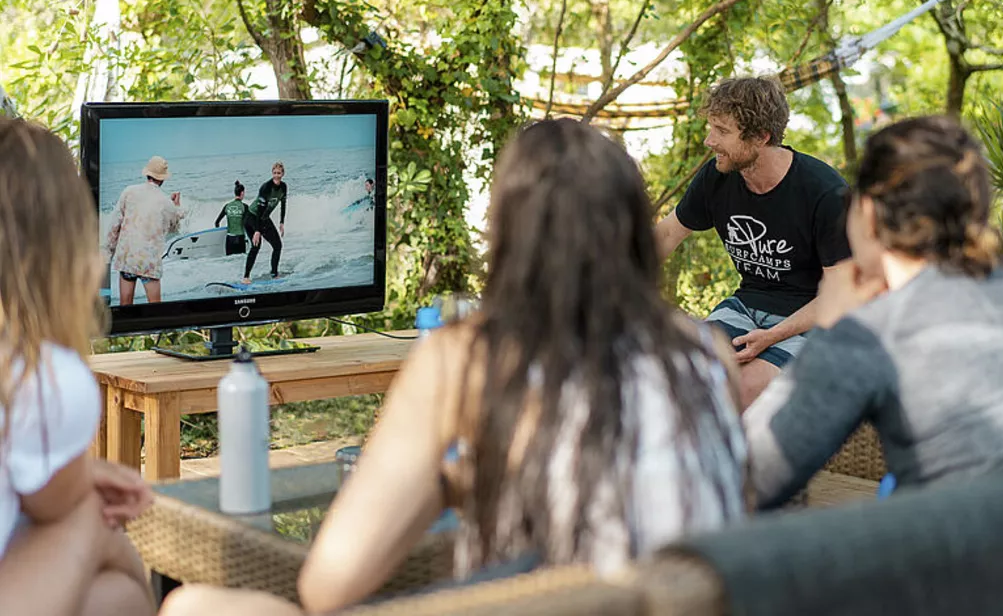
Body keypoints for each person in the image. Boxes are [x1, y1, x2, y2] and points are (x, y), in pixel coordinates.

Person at [159, 119, 751, 616]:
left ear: (509, 235)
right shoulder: (706, 352)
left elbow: (328, 585)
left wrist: (448, 483)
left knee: (194, 606)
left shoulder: (468, 358)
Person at [744, 116, 1003, 510]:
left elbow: (749, 477)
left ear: (869, 215)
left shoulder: (872, 332)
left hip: (962, 552)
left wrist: (830, 328)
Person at [0, 118, 155, 615]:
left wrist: (84, 471)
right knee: (97, 529)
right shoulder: (35, 377)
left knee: (109, 598)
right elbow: (56, 506)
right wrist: (87, 484)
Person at [655, 77, 851, 407]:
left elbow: (841, 293)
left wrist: (774, 337)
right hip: (746, 307)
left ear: (761, 137)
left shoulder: (825, 193)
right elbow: (667, 234)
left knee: (743, 388)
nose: (709, 140)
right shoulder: (716, 178)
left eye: (721, 131)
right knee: (684, 373)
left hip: (814, 318)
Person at [104, 155, 183, 305]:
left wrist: (109, 253)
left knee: (125, 308)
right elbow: (173, 229)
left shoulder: (129, 191)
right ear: (163, 178)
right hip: (149, 262)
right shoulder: (166, 202)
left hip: (128, 258)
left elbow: (115, 225)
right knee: (155, 311)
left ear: (147, 174)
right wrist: (176, 206)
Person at [243, 161, 287, 284]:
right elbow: (260, 209)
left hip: (264, 217)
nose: (277, 176)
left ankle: (274, 274)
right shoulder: (266, 188)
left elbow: (283, 204)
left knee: (277, 245)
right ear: (272, 173)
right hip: (252, 217)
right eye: (274, 173)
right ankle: (246, 277)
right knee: (256, 246)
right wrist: (257, 230)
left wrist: (282, 222)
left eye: (279, 173)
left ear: (283, 174)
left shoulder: (283, 187)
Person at [214, 181, 248, 256]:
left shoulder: (227, 206)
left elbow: (217, 222)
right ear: (242, 193)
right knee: (240, 262)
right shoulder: (244, 207)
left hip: (229, 240)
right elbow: (247, 223)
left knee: (230, 263)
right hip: (240, 239)